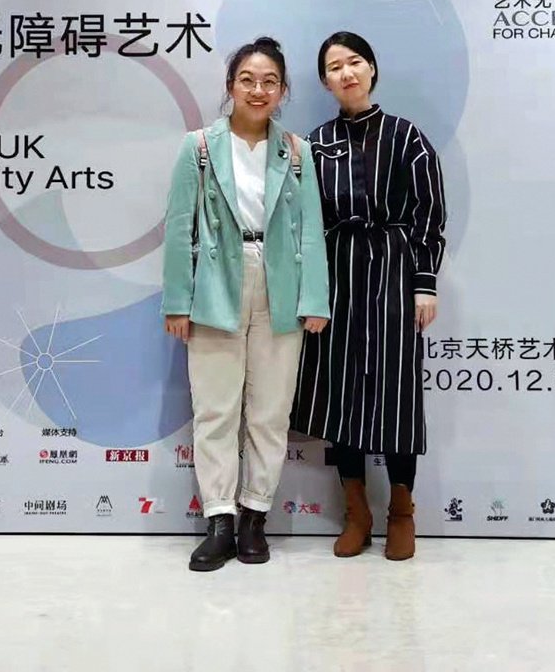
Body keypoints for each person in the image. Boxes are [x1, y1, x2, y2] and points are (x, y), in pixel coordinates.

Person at [162, 37, 330, 572]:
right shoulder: (201, 147)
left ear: (283, 91)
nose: (258, 90)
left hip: (280, 283)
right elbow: (178, 227)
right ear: (231, 85)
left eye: (270, 82)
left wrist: (315, 298)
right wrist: (176, 301)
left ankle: (256, 515)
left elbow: (310, 235)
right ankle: (220, 520)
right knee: (215, 408)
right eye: (248, 80)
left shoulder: (296, 151)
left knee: (270, 410)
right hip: (216, 282)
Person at [291, 31, 447, 561]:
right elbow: (306, 225)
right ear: (324, 80)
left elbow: (430, 216)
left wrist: (425, 283)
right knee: (342, 396)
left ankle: (401, 510)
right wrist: (311, 291)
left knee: (397, 391)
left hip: (396, 274)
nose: (347, 73)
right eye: (335, 67)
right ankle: (356, 511)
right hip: (338, 276)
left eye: (355, 62)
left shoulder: (408, 138)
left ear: (373, 69)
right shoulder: (315, 143)